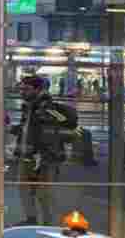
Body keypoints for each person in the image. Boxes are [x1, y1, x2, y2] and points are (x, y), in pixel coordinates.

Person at [11, 75, 80, 225]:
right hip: (28, 155)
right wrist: (15, 132)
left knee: (44, 193)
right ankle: (31, 219)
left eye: (26, 89)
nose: (22, 92)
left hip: (46, 157)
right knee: (24, 189)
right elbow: (28, 130)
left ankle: (49, 224)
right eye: (21, 89)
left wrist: (48, 113)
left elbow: (67, 123)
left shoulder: (48, 107)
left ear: (38, 90)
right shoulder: (28, 107)